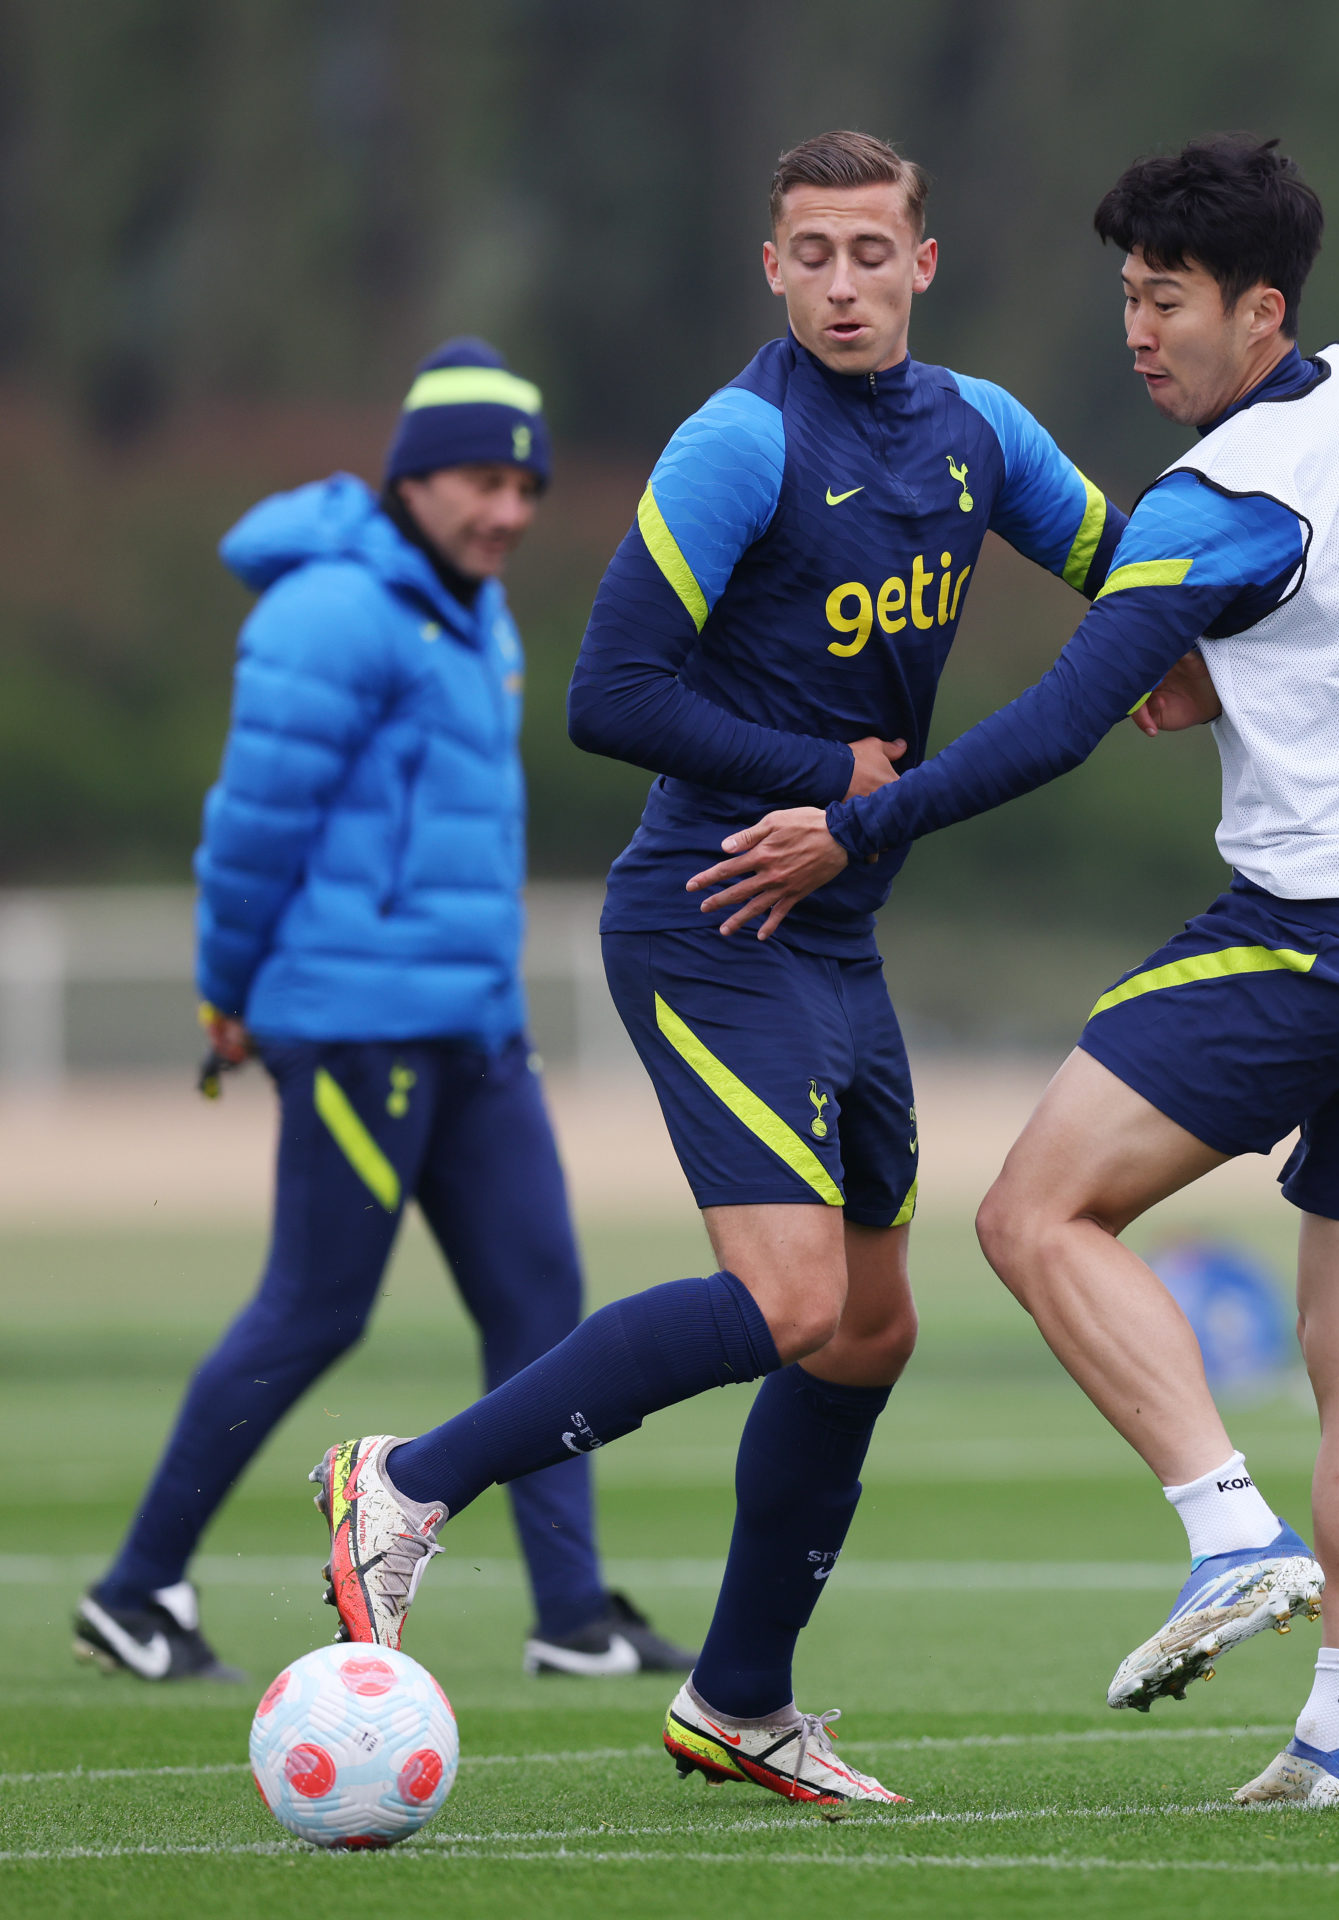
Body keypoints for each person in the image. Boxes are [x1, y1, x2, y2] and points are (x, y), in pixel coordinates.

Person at [688, 135, 1339, 1809]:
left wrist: (852, 829)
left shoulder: (1223, 498)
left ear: (1260, 313)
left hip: (1327, 934)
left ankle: (1224, 1529)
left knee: (1030, 1216)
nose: (1137, 333)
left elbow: (1057, 722)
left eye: (1165, 302)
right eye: (1125, 297)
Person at [306, 130, 1126, 1806]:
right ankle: (407, 1477)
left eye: (870, 252)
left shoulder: (986, 434)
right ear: (774, 268)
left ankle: (741, 1700)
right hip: (710, 914)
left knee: (873, 1331)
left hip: (840, 929)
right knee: (794, 1302)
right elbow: (609, 693)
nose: (842, 283)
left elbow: (1128, 568)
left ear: (925, 262)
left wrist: (1210, 638)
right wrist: (827, 776)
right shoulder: (741, 441)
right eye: (810, 253)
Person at [75, 340, 692, 1686]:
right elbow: (249, 831)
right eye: (481, 480)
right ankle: (136, 1593)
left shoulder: (472, 610)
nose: (509, 513)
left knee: (541, 1298)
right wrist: (225, 996)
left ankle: (573, 1616)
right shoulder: (332, 612)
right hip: (354, 1025)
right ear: (414, 478)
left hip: (472, 1026)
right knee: (315, 1308)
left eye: (524, 486)